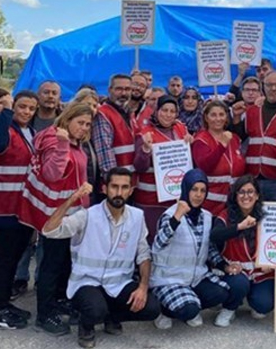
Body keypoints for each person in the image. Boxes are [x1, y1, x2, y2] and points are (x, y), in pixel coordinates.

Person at [42, 168, 160, 349]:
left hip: (118, 283)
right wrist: (72, 199)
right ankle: (86, 325)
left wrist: (143, 287)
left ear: (131, 190)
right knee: (95, 310)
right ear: (105, 189)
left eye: (124, 187)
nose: (119, 193)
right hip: (87, 282)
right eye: (114, 187)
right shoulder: (88, 215)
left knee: (152, 308)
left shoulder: (137, 217)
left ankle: (112, 317)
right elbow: (49, 230)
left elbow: (144, 255)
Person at [18, 103, 92, 336]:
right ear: (67, 119)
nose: (84, 128)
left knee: (63, 262)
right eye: (80, 122)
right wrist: (62, 144)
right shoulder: (55, 140)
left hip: (71, 213)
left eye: (88, 124)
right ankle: (44, 314)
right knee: (51, 264)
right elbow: (52, 174)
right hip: (56, 215)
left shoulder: (74, 141)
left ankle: (59, 299)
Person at [151, 169, 242, 329]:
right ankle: (164, 311)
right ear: (185, 189)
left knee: (221, 293)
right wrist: (177, 217)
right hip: (170, 278)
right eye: (194, 189)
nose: (198, 195)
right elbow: (158, 244)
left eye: (202, 190)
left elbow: (210, 249)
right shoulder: (170, 214)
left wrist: (224, 266)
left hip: (195, 277)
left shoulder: (206, 216)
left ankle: (189, 304)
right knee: (189, 309)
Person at [0, 90, 39, 330]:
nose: (26, 112)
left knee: (14, 259)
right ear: (13, 107)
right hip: (3, 209)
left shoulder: (30, 132)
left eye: (31, 109)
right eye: (22, 106)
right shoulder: (3, 129)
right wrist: (4, 112)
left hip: (22, 209)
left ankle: (4, 301)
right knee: (4, 260)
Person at [209, 176, 275, 322]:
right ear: (235, 196)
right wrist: (239, 227)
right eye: (242, 192)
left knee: (263, 305)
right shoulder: (226, 215)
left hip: (260, 273)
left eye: (251, 192)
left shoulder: (269, 215)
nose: (246, 196)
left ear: (257, 195)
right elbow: (214, 236)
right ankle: (230, 307)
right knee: (239, 284)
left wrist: (274, 263)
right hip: (235, 272)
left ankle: (253, 300)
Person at [233, 70, 276, 202]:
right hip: (252, 178)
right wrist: (236, 118)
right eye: (269, 85)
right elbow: (238, 137)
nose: (273, 89)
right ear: (263, 87)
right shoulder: (251, 111)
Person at [133, 96, 190, 242]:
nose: (168, 114)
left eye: (172, 111)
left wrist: (191, 144)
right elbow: (139, 166)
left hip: (174, 198)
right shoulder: (145, 132)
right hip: (150, 200)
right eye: (164, 110)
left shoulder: (181, 129)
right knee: (151, 239)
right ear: (156, 111)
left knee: (171, 240)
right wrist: (146, 148)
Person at [192, 100, 245, 216]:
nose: (218, 119)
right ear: (206, 117)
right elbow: (205, 166)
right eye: (213, 115)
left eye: (221, 114)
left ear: (226, 117)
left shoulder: (234, 138)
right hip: (210, 205)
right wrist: (222, 145)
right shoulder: (201, 140)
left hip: (233, 204)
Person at [93, 74, 135, 177]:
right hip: (116, 183)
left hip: (130, 180)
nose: (123, 93)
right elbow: (105, 153)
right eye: (119, 89)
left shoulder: (129, 113)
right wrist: (113, 180)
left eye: (127, 89)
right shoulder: (103, 114)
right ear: (109, 90)